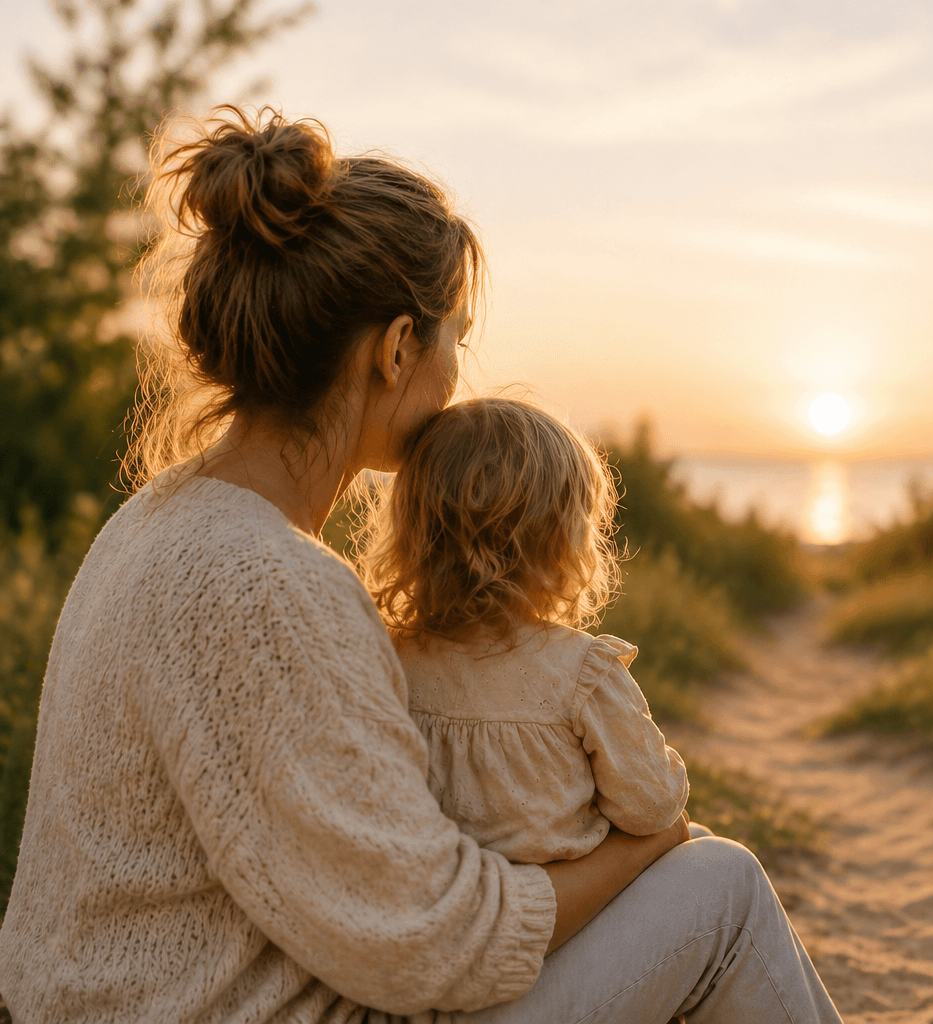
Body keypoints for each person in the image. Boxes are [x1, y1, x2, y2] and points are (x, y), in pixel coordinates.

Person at [0, 106, 841, 1024]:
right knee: (719, 884)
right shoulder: (268, 581)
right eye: (454, 339)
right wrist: (648, 848)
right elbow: (434, 946)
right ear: (398, 347)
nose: (455, 375)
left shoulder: (153, 522)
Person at [361, 396, 690, 867]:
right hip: (570, 911)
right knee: (726, 862)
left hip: (455, 904)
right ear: (562, 544)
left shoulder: (389, 658)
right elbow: (652, 807)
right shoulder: (582, 671)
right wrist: (665, 765)